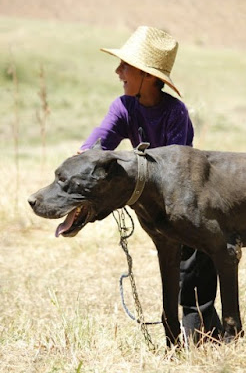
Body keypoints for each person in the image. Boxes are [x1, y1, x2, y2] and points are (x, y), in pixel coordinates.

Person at [79, 26, 222, 341]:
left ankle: (203, 333)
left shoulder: (176, 113)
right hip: (156, 207)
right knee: (171, 266)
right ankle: (182, 332)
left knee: (192, 266)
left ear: (146, 74)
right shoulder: (123, 107)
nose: (118, 72)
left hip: (187, 203)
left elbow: (172, 171)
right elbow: (97, 144)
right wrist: (82, 162)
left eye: (125, 66)